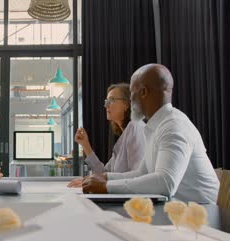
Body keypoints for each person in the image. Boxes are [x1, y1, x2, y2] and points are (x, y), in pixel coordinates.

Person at [82, 64, 220, 204]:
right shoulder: (156, 126)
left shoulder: (174, 125)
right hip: (182, 211)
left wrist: (107, 186)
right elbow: (142, 173)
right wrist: (106, 178)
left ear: (143, 92)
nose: (130, 100)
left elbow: (165, 183)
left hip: (203, 215)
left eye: (131, 93)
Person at [68, 83, 146, 187]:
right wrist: (85, 145)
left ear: (127, 104)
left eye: (112, 100)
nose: (106, 105)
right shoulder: (126, 135)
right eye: (106, 101)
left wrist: (93, 180)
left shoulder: (135, 127)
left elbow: (138, 177)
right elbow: (103, 173)